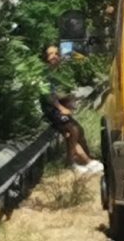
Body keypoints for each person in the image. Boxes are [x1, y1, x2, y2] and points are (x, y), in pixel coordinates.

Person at [38, 44, 101, 174]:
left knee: (77, 131)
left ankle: (82, 160)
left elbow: (62, 91)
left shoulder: (58, 71)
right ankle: (77, 161)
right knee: (73, 129)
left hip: (58, 106)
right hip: (50, 109)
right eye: (50, 54)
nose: (54, 56)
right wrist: (61, 108)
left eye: (56, 53)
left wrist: (69, 99)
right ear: (45, 57)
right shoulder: (45, 73)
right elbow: (48, 96)